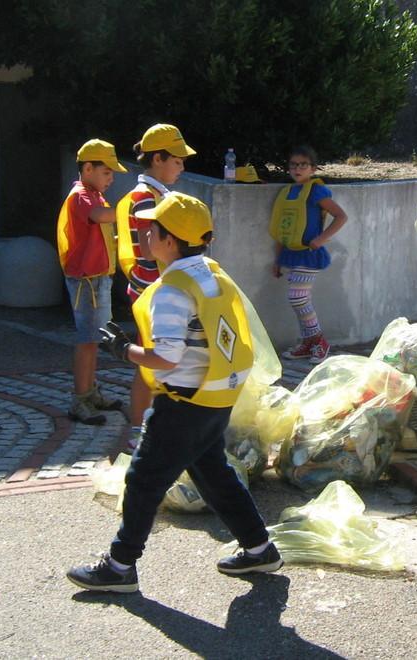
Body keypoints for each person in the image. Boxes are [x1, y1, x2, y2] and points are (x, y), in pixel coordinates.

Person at [67, 192, 281, 592]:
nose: (146, 233)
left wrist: (123, 349)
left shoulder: (171, 290)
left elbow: (164, 357)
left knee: (144, 479)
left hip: (184, 402)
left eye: (152, 229)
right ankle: (259, 548)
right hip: (216, 397)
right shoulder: (211, 272)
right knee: (213, 473)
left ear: (169, 241)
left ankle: (119, 566)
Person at [116, 123, 196, 450]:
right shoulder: (144, 197)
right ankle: (137, 431)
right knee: (151, 360)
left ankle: (150, 427)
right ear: (158, 158)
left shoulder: (158, 194)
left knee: (164, 359)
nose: (182, 167)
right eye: (177, 160)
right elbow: (150, 247)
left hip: (161, 287)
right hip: (152, 290)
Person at [56, 139, 127, 425]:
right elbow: (101, 218)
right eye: (107, 172)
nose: (111, 179)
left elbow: (103, 234)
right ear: (88, 168)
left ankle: (90, 392)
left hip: (98, 280)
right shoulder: (82, 196)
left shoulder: (95, 195)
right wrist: (132, 208)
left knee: (95, 340)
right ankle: (79, 399)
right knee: (87, 341)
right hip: (87, 283)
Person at [269, 145, 348, 364]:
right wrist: (277, 259)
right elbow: (281, 228)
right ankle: (309, 343)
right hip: (291, 253)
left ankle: (319, 341)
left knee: (297, 297)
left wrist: (321, 240)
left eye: (303, 165)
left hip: (309, 254)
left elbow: (341, 216)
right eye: (293, 165)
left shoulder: (316, 191)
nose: (297, 169)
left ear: (313, 169)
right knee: (298, 299)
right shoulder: (287, 192)